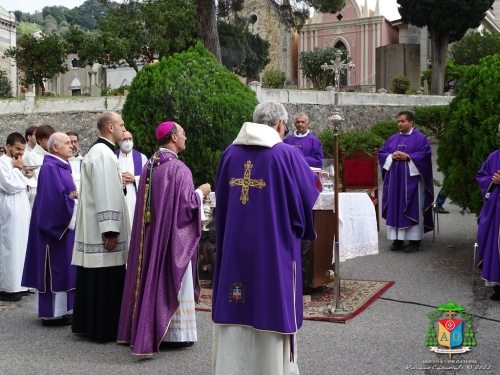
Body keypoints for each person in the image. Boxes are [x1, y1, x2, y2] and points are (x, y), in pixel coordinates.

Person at [212, 101, 319, 375]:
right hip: (274, 247)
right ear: (281, 125)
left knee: (236, 298)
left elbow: (221, 202)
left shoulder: (230, 154)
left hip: (235, 246)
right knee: (271, 297)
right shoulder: (286, 155)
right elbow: (307, 196)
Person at [117, 122, 210, 355]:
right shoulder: (178, 168)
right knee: (174, 278)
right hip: (172, 236)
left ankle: (153, 328)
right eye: (184, 133)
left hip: (152, 236)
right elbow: (187, 206)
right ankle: (177, 334)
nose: (186, 137)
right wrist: (202, 192)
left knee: (153, 276)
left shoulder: (150, 164)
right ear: (174, 138)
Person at [71, 111, 130, 341]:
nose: (125, 130)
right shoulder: (104, 154)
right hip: (102, 231)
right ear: (110, 128)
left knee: (94, 279)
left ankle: (89, 324)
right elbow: (105, 193)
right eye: (121, 125)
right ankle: (103, 329)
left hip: (94, 227)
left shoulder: (98, 152)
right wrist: (111, 229)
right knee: (105, 279)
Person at [22, 133, 78, 326]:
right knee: (55, 267)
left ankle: (63, 310)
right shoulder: (49, 167)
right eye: (67, 143)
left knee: (65, 266)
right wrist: (74, 201)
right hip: (53, 228)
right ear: (55, 147)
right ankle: (52, 313)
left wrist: (73, 197)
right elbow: (53, 200)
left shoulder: (62, 165)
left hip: (65, 225)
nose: (72, 146)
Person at [378, 111, 434, 253]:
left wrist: (408, 157)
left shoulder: (420, 139)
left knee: (412, 207)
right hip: (394, 182)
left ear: (411, 122)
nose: (400, 124)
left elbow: (425, 155)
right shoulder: (393, 139)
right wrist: (391, 156)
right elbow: (382, 152)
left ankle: (415, 241)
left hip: (412, 183)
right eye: (398, 121)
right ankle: (397, 240)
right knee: (395, 207)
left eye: (403, 121)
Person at [0, 133, 31, 301]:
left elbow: (20, 183)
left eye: (23, 150)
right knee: (10, 247)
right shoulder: (2, 162)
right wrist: (18, 170)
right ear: (9, 146)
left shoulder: (16, 162)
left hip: (21, 208)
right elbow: (9, 185)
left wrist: (26, 176)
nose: (21, 153)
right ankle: (8, 287)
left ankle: (21, 284)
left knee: (22, 246)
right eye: (18, 149)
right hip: (9, 208)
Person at [476, 123, 500, 300]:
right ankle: (498, 285)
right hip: (496, 209)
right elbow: (482, 176)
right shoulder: (494, 156)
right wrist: (492, 180)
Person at [115, 131, 147, 227]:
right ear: (118, 142)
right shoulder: (112, 157)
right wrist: (117, 181)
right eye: (125, 139)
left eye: (130, 139)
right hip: (117, 200)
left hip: (135, 199)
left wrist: (135, 179)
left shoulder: (142, 158)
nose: (128, 142)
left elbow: (148, 178)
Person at [23, 124, 56, 207]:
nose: (51, 143)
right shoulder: (31, 156)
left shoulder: (53, 155)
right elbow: (38, 178)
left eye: (52, 139)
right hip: (38, 198)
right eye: (48, 139)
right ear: (39, 140)